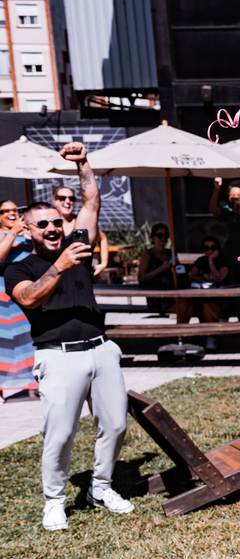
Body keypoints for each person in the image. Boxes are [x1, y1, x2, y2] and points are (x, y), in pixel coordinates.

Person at [4, 143, 132, 531]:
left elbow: (91, 201)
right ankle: (54, 501)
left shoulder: (78, 246)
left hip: (100, 350)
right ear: (27, 230)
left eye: (56, 222)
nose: (51, 229)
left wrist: (83, 163)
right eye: (41, 224)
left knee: (116, 425)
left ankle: (101, 488)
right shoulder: (19, 267)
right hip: (57, 356)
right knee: (60, 435)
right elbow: (29, 297)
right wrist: (59, 266)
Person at [0, 199, 36, 402]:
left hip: (25, 291)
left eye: (15, 210)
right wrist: (13, 233)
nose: (11, 213)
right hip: (2, 296)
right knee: (2, 342)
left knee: (28, 338)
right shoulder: (3, 234)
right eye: (5, 211)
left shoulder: (26, 232)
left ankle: (33, 383)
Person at [53, 183, 110, 279]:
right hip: (56, 278)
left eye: (71, 198)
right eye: (62, 198)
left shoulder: (80, 223)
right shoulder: (49, 225)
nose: (67, 201)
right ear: (55, 201)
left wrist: (104, 263)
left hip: (81, 279)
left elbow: (102, 238)